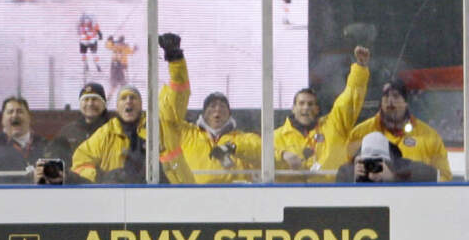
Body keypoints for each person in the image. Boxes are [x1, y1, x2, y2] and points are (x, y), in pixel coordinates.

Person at [154, 34, 260, 183]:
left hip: (237, 201)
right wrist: (176, 61)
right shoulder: (186, 134)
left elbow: (261, 151)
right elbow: (172, 107)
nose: (217, 110)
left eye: (223, 106)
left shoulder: (244, 138)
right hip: (193, 200)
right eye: (212, 106)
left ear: (230, 113)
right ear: (203, 114)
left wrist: (233, 147)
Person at [275, 46, 371, 181]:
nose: (306, 108)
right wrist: (282, 154)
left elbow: (349, 99)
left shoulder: (334, 125)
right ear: (293, 108)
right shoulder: (277, 137)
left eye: (310, 104)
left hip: (333, 195)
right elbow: (260, 154)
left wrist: (360, 68)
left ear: (317, 109)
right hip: (292, 198)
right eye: (301, 103)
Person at [346, 80, 452, 180]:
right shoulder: (360, 133)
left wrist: (395, 178)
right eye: (386, 96)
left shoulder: (430, 137)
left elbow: (443, 177)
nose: (390, 101)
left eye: (396, 96)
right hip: (368, 198)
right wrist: (353, 174)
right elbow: (342, 172)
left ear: (406, 102)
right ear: (381, 102)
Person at [69, 85, 148, 183]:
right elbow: (80, 162)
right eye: (123, 98)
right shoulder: (106, 132)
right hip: (112, 193)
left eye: (133, 97)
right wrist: (101, 177)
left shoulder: (154, 128)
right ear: (117, 107)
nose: (128, 101)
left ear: (141, 105)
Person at [0, 96, 46, 183]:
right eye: (10, 112)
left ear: (29, 117)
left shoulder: (47, 146)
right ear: (2, 119)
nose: (15, 115)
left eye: (20, 111)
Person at [48, 82, 112, 166]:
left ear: (104, 104)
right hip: (72, 178)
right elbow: (53, 162)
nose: (90, 104)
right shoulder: (67, 132)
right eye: (86, 99)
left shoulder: (114, 131)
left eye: (94, 99)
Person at [350, 129, 438, 184]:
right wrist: (354, 179)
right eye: (368, 162)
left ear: (389, 160)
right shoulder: (350, 169)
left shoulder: (399, 166)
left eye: (379, 161)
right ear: (360, 160)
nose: (373, 166)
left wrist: (393, 178)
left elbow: (433, 173)